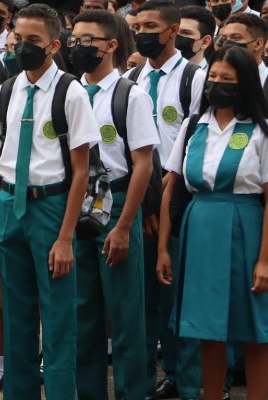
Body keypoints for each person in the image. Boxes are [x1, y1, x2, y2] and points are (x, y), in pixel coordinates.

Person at [0, 4, 100, 400]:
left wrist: (65, 238)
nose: (24, 48)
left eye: (35, 41)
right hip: (11, 206)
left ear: (53, 45)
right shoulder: (4, 93)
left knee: (60, 318)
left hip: (51, 209)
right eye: (19, 39)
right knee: (15, 319)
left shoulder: (71, 92)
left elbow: (81, 171)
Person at [158, 45, 268, 400]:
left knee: (254, 329)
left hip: (246, 229)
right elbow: (170, 187)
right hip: (200, 228)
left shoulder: (260, 131)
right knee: (206, 329)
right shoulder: (194, 125)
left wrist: (265, 260)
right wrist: (163, 248)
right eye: (213, 78)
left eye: (227, 79)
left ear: (245, 84)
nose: (216, 85)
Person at [69, 10, 159, 400]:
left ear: (111, 45)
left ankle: (132, 392)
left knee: (125, 314)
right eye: (74, 38)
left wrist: (124, 225)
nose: (78, 46)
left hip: (116, 200)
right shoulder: (69, 91)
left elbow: (143, 164)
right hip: (75, 203)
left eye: (88, 40)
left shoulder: (130, 95)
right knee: (82, 311)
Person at [128, 1, 206, 399]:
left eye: (151, 26)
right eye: (138, 25)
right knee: (144, 298)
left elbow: (193, 145)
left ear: (174, 31)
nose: (143, 33)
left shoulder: (195, 78)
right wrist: (143, 205)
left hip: (179, 197)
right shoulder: (130, 79)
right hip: (139, 198)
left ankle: (186, 378)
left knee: (180, 294)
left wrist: (166, 205)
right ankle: (146, 377)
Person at [217, 13, 268, 88]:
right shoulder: (217, 78)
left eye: (236, 38)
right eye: (224, 39)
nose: (227, 43)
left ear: (257, 44)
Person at [176, 6, 216, 70]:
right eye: (174, 31)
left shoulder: (210, 77)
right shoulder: (158, 73)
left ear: (205, 42)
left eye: (186, 33)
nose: (175, 37)